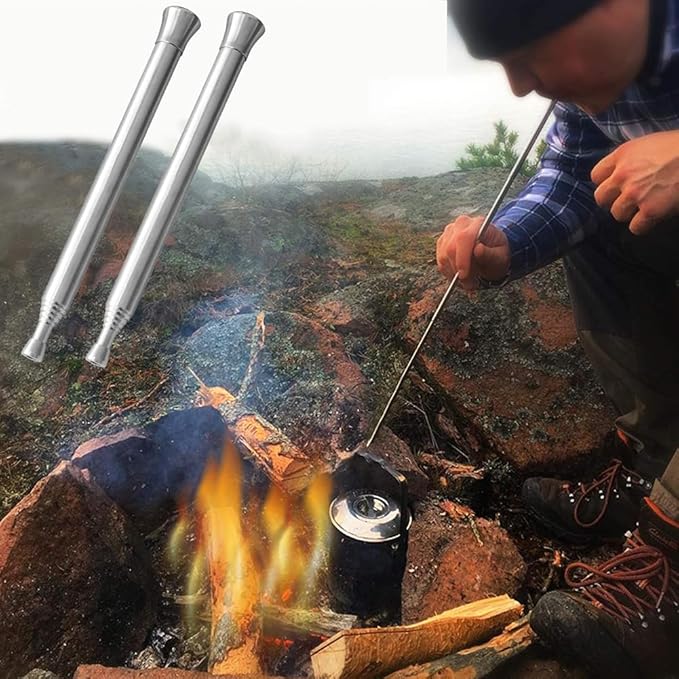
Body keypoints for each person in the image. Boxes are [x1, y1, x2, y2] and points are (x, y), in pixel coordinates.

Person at [443, 1, 678, 676]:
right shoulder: (598, 81)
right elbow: (573, 174)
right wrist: (503, 243)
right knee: (606, 206)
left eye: (529, 50)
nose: (518, 85)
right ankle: (655, 466)